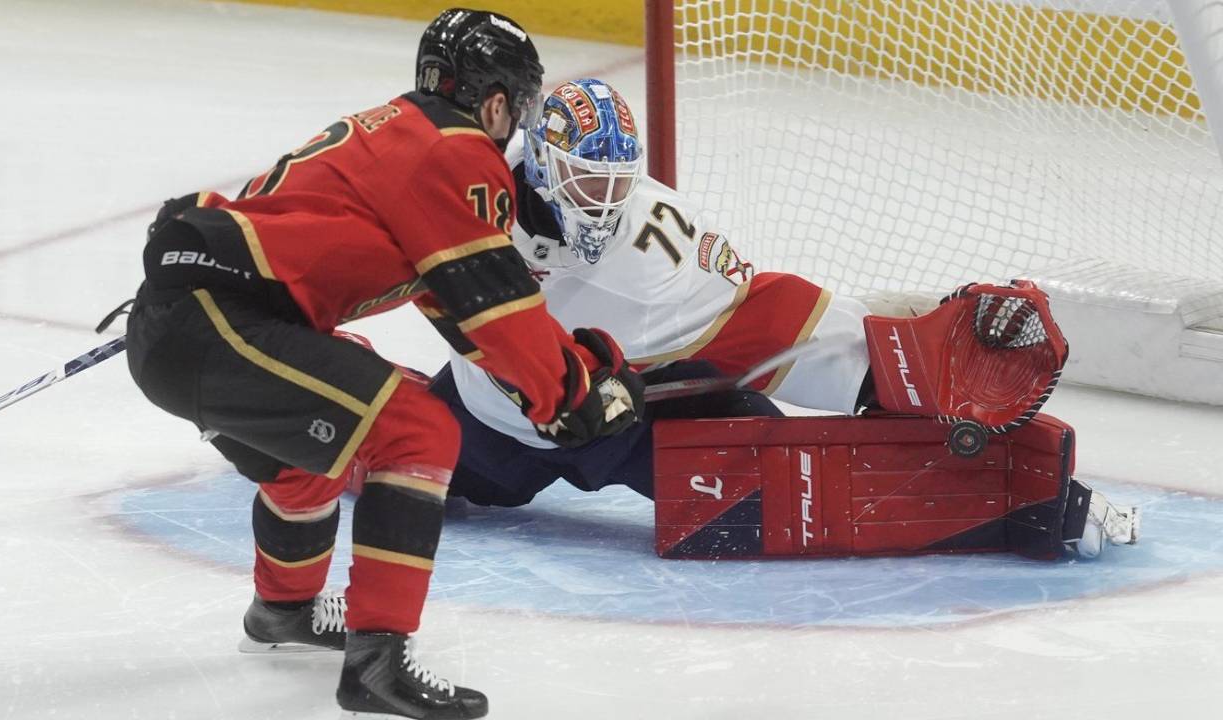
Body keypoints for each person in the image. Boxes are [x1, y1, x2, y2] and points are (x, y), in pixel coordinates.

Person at [123, 14, 642, 720]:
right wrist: (572, 394)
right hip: (215, 324)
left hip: (197, 324)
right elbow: (498, 311)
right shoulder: (455, 152)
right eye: (518, 108)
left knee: (314, 453)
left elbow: (463, 309)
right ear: (495, 103)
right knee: (418, 430)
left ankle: (283, 610)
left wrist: (564, 375)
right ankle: (376, 662)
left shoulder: (396, 135)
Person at [429, 77, 1138, 558]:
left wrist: (892, 362)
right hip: (491, 417)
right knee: (402, 459)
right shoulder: (470, 201)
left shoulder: (653, 242)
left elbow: (759, 318)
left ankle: (1015, 502)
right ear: (544, 165)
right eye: (588, 183)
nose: (603, 204)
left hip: (627, 417)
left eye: (617, 184)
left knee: (773, 481)